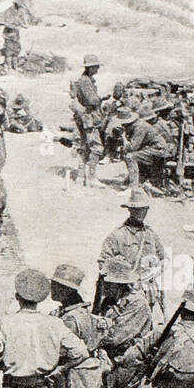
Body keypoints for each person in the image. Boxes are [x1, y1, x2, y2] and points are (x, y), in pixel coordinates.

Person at [99, 187, 165, 318]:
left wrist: (153, 273)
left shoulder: (151, 235)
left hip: (146, 292)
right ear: (130, 210)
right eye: (137, 209)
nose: (141, 212)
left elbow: (163, 258)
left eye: (144, 208)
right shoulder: (117, 235)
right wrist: (122, 280)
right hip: (123, 296)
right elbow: (103, 263)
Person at [72, 54, 105, 186]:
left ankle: (80, 177)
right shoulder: (85, 82)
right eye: (96, 66)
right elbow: (92, 100)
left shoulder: (85, 80)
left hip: (83, 117)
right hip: (88, 118)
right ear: (90, 68)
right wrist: (101, 98)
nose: (97, 68)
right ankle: (91, 178)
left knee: (83, 146)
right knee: (96, 147)